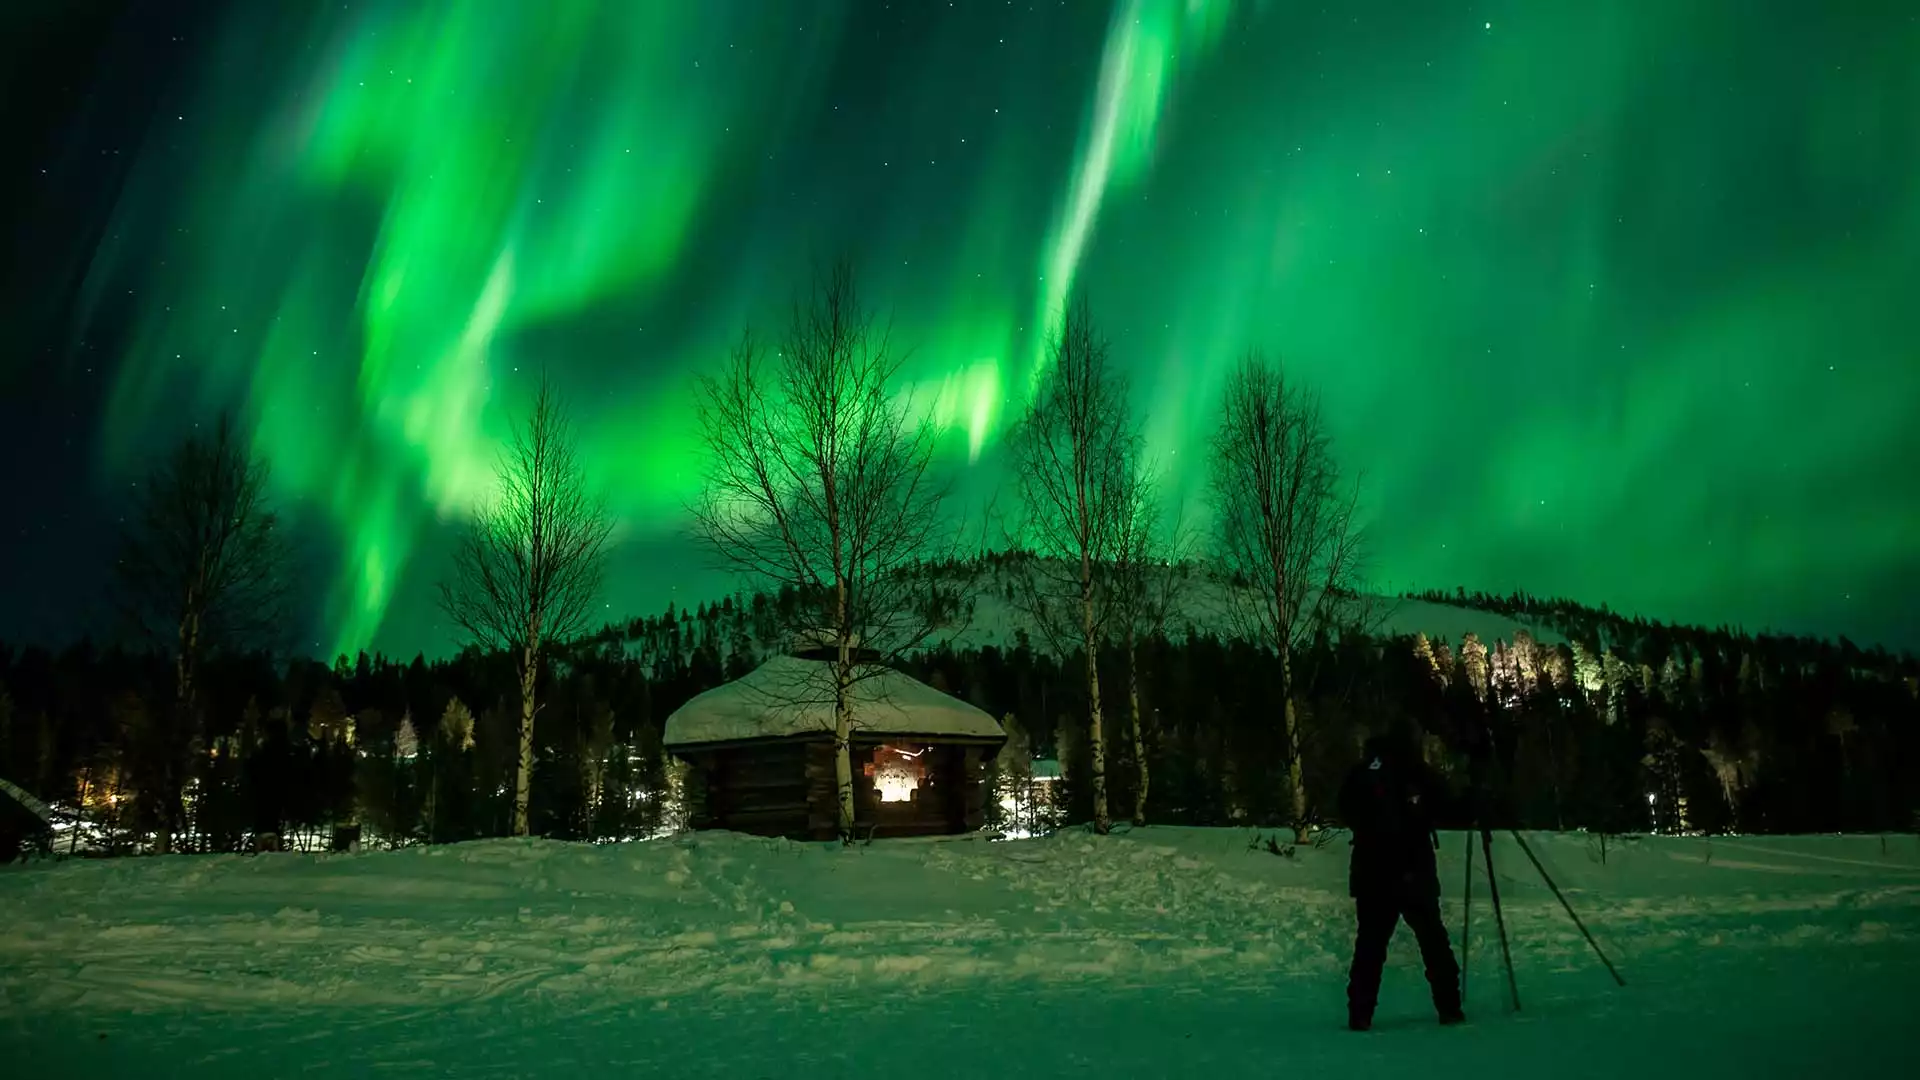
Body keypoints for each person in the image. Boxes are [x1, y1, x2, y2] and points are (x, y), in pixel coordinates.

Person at [1338, 732, 1464, 1031]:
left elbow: (1345, 808)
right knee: (1433, 943)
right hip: (1413, 872)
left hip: (1372, 874)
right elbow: (1449, 809)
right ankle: (1449, 1007)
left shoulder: (1363, 773)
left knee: (1369, 946)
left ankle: (1360, 1013)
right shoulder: (1417, 772)